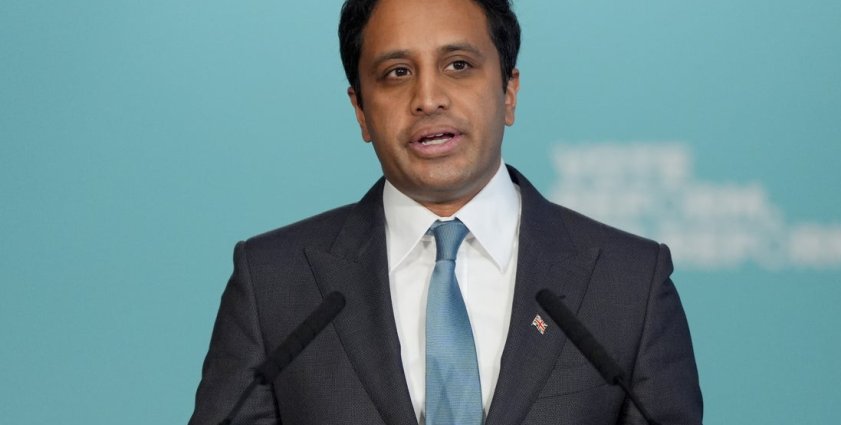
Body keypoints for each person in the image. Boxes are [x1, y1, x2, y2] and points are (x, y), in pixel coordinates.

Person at [189, 0, 703, 423]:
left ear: (509, 92)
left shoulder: (628, 284)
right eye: (396, 73)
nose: (428, 98)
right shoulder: (275, 284)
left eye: (458, 65)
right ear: (360, 110)